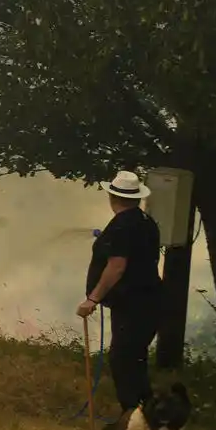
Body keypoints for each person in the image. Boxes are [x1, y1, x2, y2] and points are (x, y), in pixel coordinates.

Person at [77, 170, 164, 413]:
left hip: (132, 303)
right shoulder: (145, 222)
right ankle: (145, 415)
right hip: (148, 300)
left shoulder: (122, 227)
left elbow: (117, 266)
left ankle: (134, 415)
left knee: (123, 359)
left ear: (112, 197)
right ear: (136, 198)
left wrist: (92, 299)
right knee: (134, 359)